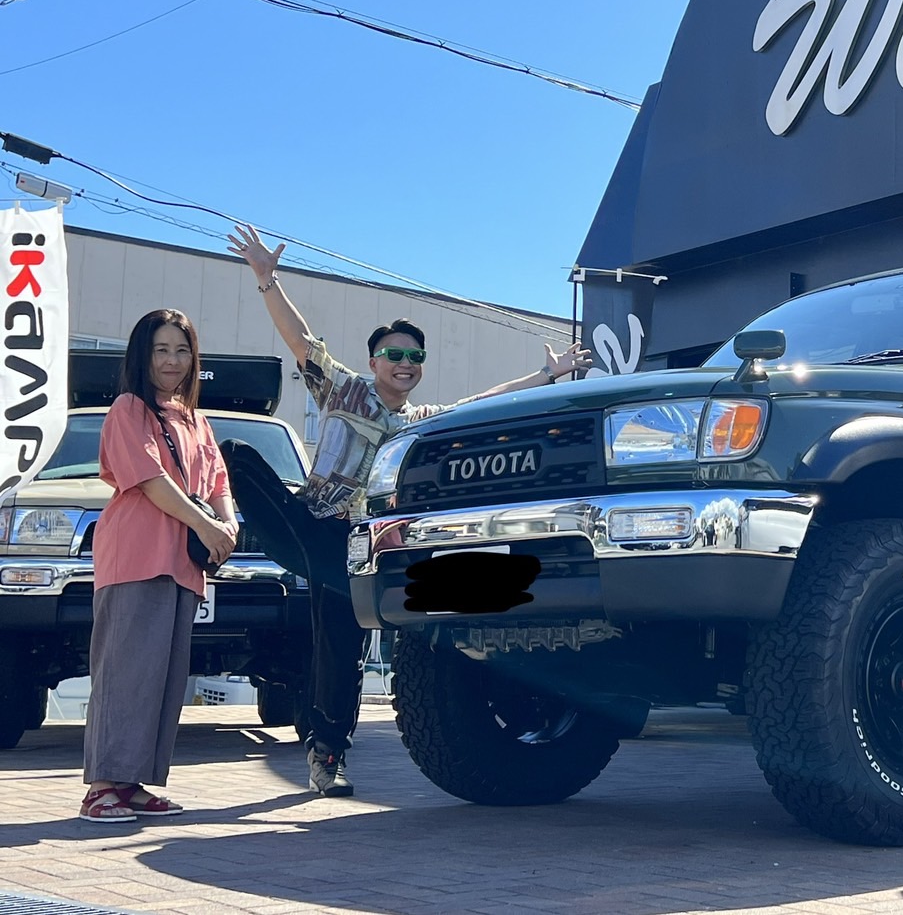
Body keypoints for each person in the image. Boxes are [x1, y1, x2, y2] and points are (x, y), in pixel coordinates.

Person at [222, 224, 593, 797]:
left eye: (414, 356)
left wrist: (547, 375)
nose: (405, 363)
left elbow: (481, 404)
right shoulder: (344, 390)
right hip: (309, 523)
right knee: (235, 453)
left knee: (338, 647)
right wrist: (267, 279)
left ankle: (326, 755)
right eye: (394, 354)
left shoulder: (419, 422)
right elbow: (301, 341)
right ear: (374, 361)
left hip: (355, 548)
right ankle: (204, 533)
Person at [79, 310, 238, 823]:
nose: (173, 361)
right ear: (142, 356)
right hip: (135, 557)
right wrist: (209, 526)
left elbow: (218, 481)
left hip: (182, 564)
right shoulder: (129, 408)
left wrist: (228, 523)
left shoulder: (195, 419)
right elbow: (151, 481)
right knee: (125, 672)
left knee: (162, 678)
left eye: (182, 350)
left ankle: (133, 783)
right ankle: (101, 787)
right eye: (161, 350)